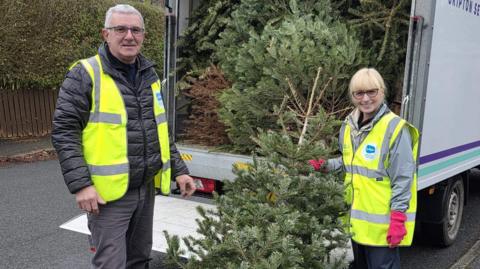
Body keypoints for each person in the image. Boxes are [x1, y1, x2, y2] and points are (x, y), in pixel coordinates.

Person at [52, 4, 196, 268]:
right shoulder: (85, 75)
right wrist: (81, 185)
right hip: (108, 198)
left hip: (144, 189)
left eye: (136, 30)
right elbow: (64, 132)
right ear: (105, 34)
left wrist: (180, 170)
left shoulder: (149, 74)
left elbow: (160, 129)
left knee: (139, 259)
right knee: (111, 263)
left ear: (143, 35)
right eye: (120, 29)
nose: (129, 36)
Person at [309, 68, 419, 269]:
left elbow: (403, 179)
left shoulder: (394, 129)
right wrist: (325, 165)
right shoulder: (349, 125)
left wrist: (398, 219)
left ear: (382, 92)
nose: (366, 99)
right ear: (353, 96)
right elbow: (350, 164)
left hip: (382, 225)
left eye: (372, 92)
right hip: (356, 224)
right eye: (359, 93)